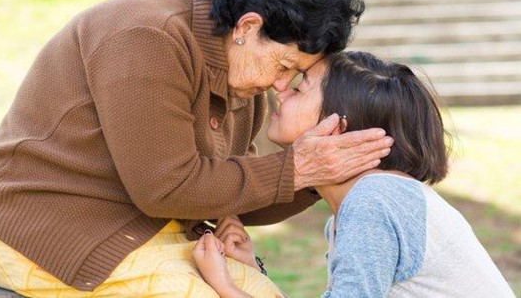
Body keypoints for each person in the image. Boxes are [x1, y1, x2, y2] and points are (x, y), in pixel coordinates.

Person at [0, 0, 393, 297]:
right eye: (282, 66)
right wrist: (298, 168)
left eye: (294, 74)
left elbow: (233, 191)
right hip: (43, 226)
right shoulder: (148, 38)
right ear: (248, 26)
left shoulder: (240, 73)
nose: (281, 86)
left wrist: (322, 173)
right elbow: (164, 187)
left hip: (142, 225)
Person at [193, 51, 515, 298]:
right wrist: (251, 270)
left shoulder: (373, 201)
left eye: (300, 88)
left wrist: (226, 287)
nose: (282, 92)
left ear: (337, 128)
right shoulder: (369, 202)